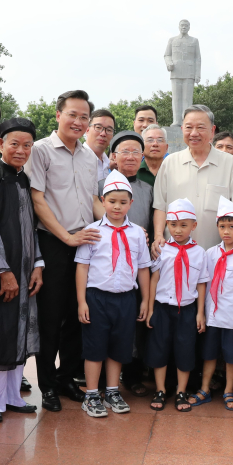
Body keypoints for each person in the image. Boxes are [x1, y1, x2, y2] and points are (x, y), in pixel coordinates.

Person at [26, 90, 101, 412]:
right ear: (58, 115)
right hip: (54, 242)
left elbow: (95, 200)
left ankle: (67, 376)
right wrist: (65, 238)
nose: (78, 121)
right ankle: (46, 385)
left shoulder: (90, 158)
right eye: (73, 114)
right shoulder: (40, 151)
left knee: (77, 315)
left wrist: (118, 224)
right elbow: (37, 199)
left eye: (84, 117)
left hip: (85, 243)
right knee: (50, 316)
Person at [0, 118, 44, 424]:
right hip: (2, 271)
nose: (20, 150)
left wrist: (38, 264)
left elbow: (33, 228)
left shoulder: (25, 180)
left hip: (26, 267)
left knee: (19, 332)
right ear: (0, 143)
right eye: (14, 143)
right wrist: (3, 270)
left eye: (27, 145)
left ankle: (13, 396)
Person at [75, 171, 151, 417]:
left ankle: (112, 390)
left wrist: (146, 301)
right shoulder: (93, 230)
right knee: (95, 347)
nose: (117, 206)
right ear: (102, 201)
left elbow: (143, 268)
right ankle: (91, 395)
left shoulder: (138, 233)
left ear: (131, 203)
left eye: (122, 202)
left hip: (126, 298)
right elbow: (82, 267)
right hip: (97, 298)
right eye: (111, 201)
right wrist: (81, 301)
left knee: (119, 347)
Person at [152, 105, 233, 253]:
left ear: (212, 131)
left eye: (200, 127)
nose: (194, 133)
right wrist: (158, 236)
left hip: (218, 254)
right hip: (174, 252)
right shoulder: (170, 163)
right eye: (189, 127)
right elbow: (160, 206)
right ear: (182, 129)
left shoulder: (228, 163)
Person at [101, 131, 152, 397]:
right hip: (104, 268)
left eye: (135, 152)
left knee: (133, 324)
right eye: (124, 151)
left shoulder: (147, 189)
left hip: (135, 264)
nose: (130, 157)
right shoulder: (100, 186)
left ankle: (131, 375)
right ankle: (100, 379)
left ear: (142, 157)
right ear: (114, 156)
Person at [194, 197, 233, 409]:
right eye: (222, 226)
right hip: (212, 315)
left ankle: (229, 390)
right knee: (209, 354)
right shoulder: (210, 254)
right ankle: (204, 389)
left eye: (232, 226)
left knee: (232, 356)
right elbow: (203, 284)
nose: (226, 231)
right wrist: (201, 313)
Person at [145, 198, 207, 412]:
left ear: (194, 226)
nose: (178, 230)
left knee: (185, 349)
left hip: (187, 310)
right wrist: (151, 309)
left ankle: (181, 391)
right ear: (167, 225)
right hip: (163, 308)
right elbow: (154, 279)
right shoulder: (162, 249)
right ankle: (160, 389)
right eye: (173, 225)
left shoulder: (200, 253)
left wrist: (200, 313)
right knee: (159, 348)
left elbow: (201, 284)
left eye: (184, 225)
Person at [84, 109, 115, 180]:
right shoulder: (76, 160)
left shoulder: (109, 164)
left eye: (109, 130)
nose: (103, 133)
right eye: (98, 127)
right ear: (87, 130)